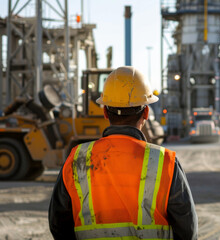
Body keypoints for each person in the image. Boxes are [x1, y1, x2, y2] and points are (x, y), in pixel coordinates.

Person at [49, 66, 198, 240]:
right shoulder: (165, 162)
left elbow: (58, 224)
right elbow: (187, 230)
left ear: (105, 111)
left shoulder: (76, 159)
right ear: (146, 112)